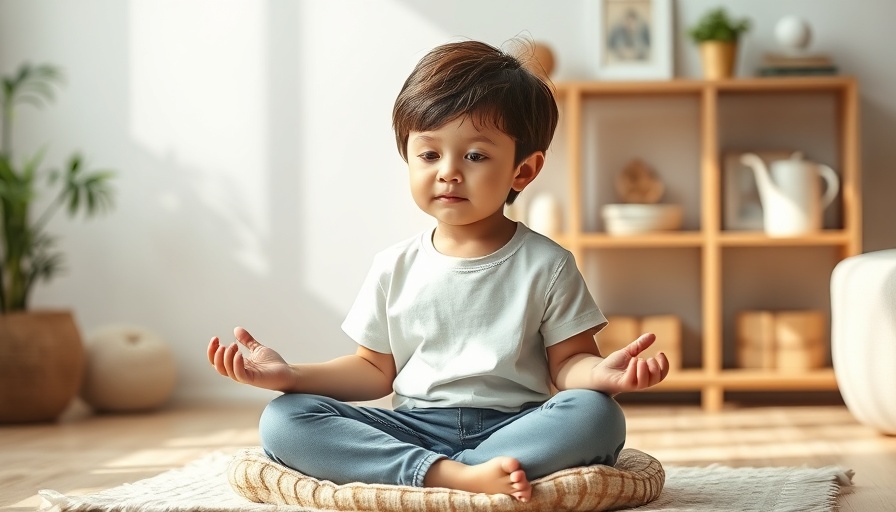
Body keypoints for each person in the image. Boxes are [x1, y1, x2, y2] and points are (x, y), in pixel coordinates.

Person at [207, 39, 669, 503]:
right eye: (429, 155)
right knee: (285, 419)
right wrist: (289, 376)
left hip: (517, 427)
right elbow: (372, 370)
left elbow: (569, 364)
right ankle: (452, 475)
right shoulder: (394, 266)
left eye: (475, 156)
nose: (448, 172)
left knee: (596, 415)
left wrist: (600, 375)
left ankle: (450, 473)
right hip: (410, 427)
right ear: (408, 157)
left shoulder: (547, 265)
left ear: (523, 171)